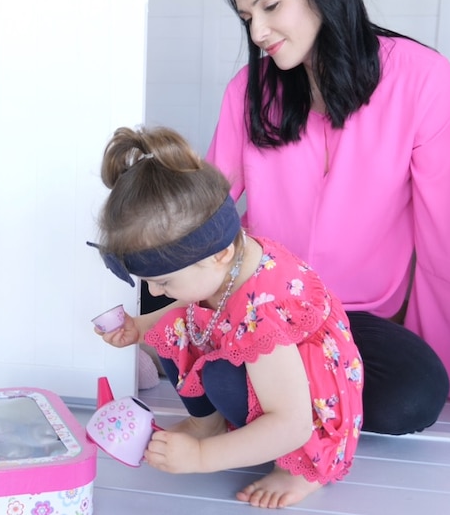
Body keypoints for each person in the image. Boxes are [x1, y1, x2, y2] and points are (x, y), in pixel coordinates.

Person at [206, 0, 450, 420]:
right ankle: (298, 407)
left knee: (417, 394)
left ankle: (287, 409)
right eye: (247, 17)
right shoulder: (249, 89)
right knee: (206, 360)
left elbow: (445, 241)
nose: (259, 31)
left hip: (357, 318)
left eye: (270, 6)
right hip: (264, 306)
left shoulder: (424, 80)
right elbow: (209, 204)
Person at [89, 125, 364, 509]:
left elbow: (292, 422)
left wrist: (201, 460)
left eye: (163, 281)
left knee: (218, 371)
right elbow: (189, 306)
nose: (153, 292)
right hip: (266, 371)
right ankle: (208, 424)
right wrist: (140, 328)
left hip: (305, 413)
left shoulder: (262, 310)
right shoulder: (226, 260)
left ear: (217, 255)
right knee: (172, 325)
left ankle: (301, 471)